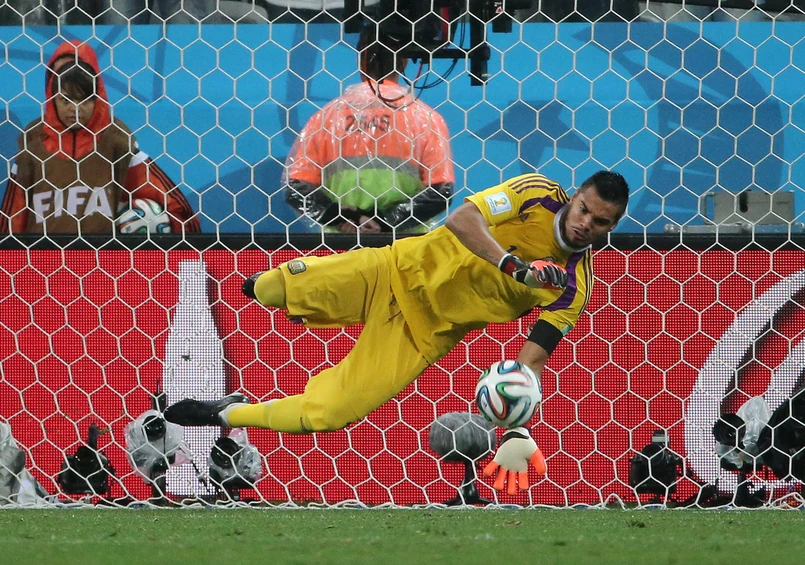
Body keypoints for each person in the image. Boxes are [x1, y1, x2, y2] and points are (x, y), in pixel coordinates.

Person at [166, 170, 630, 494]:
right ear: (573, 197)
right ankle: (304, 300)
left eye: (601, 222)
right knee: (265, 288)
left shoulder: (574, 286)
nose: (586, 224)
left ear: (613, 225)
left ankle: (228, 414)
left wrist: (514, 431)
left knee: (328, 415)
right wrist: (515, 267)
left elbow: (530, 365)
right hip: (394, 270)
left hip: (421, 334)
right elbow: (462, 219)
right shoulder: (535, 193)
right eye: (584, 210)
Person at [0, 40, 200, 235]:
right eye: (66, 98)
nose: (75, 108)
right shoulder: (33, 142)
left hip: (103, 257)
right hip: (45, 256)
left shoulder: (117, 141)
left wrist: (189, 247)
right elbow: (11, 221)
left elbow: (174, 206)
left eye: (84, 98)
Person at [284, 28, 455, 234]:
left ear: (361, 60)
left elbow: (297, 188)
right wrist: (384, 221)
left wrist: (339, 216)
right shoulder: (426, 118)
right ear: (404, 61)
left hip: (341, 243)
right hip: (404, 246)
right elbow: (441, 191)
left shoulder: (325, 117)